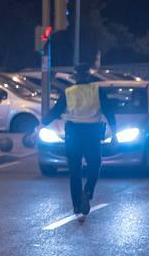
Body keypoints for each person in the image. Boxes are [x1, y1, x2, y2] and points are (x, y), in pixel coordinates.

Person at [40, 65, 118, 220]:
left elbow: (56, 111)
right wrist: (114, 132)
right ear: (88, 77)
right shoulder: (97, 91)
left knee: (74, 170)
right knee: (95, 164)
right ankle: (88, 192)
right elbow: (109, 111)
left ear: (74, 78)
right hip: (92, 133)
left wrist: (42, 123)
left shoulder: (68, 93)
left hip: (73, 133)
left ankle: (76, 205)